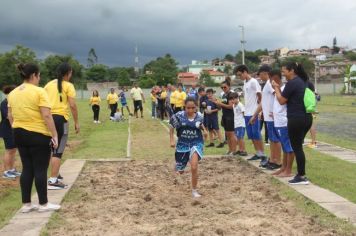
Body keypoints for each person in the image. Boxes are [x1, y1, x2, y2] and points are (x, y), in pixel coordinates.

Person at [8, 63, 60, 212]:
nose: (40, 78)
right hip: (37, 134)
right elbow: (46, 115)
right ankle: (43, 204)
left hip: (18, 133)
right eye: (39, 75)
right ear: (34, 75)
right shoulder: (39, 91)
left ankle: (26, 204)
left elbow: (10, 116)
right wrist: (54, 135)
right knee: (40, 168)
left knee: (27, 168)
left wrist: (16, 128)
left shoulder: (13, 93)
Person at [272, 62, 314, 185]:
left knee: (297, 148)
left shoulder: (292, 83)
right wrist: (279, 89)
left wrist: (276, 89)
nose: (283, 74)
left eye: (284, 71)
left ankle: (301, 176)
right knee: (298, 147)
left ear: (292, 71)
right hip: (307, 118)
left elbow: (281, 100)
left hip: (296, 118)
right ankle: (300, 174)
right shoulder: (303, 81)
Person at [45, 62, 80, 190]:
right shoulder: (68, 85)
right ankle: (53, 181)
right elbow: (72, 105)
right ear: (68, 73)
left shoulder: (48, 85)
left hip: (48, 119)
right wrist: (76, 122)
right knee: (58, 150)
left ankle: (55, 173)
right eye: (71, 73)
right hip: (60, 119)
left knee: (52, 148)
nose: (71, 75)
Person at [169, 97, 208, 198]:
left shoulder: (199, 116)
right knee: (180, 170)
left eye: (193, 108)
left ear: (196, 107)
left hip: (196, 142)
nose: (190, 110)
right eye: (188, 108)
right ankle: (179, 165)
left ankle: (194, 190)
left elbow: (201, 125)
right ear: (184, 107)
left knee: (194, 166)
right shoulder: (179, 116)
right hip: (182, 144)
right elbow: (171, 126)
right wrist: (171, 140)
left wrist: (205, 131)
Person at [251, 65, 281, 170]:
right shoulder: (266, 84)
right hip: (268, 118)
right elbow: (263, 103)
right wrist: (255, 115)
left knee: (275, 140)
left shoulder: (269, 83)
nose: (259, 77)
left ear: (265, 73)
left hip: (272, 117)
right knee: (272, 140)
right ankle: (273, 159)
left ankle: (277, 161)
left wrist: (276, 111)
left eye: (260, 75)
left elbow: (278, 96)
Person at [234, 65, 267, 162]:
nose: (240, 77)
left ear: (245, 72)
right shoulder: (245, 82)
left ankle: (263, 155)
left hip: (254, 112)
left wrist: (259, 111)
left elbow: (259, 95)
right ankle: (258, 153)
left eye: (240, 75)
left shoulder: (254, 82)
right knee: (251, 135)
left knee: (257, 134)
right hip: (247, 113)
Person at [270, 70, 294, 177]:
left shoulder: (284, 88)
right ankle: (283, 168)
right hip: (278, 121)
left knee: (289, 147)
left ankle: (288, 170)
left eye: (272, 79)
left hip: (284, 122)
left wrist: (276, 87)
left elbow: (282, 101)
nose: (271, 82)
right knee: (285, 147)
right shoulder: (278, 89)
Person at [211, 80, 237, 155]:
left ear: (229, 86)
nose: (223, 88)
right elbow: (220, 107)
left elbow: (231, 107)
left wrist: (220, 104)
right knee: (227, 134)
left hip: (231, 116)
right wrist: (216, 103)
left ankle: (234, 150)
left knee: (231, 134)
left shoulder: (231, 94)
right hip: (225, 116)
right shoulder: (224, 95)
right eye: (222, 87)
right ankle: (230, 150)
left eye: (225, 87)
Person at [1, 85, 20, 179]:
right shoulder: (4, 103)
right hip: (7, 129)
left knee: (13, 149)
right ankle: (6, 171)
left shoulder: (12, 102)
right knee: (9, 150)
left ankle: (11, 169)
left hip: (13, 128)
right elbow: (8, 116)